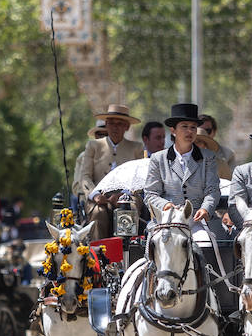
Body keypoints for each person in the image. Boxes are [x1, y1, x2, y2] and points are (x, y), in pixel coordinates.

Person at [143, 103, 231, 301]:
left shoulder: (208, 157)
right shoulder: (158, 159)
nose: (190, 132)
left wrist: (206, 209)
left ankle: (210, 297)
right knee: (152, 248)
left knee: (207, 244)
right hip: (166, 221)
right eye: (185, 127)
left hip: (196, 221)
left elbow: (212, 190)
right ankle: (148, 292)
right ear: (173, 130)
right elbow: (150, 194)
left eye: (193, 127)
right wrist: (165, 206)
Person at [73, 103, 146, 239]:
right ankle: (99, 255)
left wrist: (124, 195)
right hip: (98, 197)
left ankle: (129, 253)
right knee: (98, 214)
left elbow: (140, 179)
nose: (115, 127)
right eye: (111, 123)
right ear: (106, 124)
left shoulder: (136, 148)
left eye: (120, 124)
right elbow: (85, 177)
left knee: (128, 211)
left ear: (127, 127)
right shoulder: (93, 145)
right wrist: (95, 195)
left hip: (128, 196)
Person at [196, 114, 237, 180]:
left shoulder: (227, 155)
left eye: (207, 130)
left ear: (214, 132)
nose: (202, 133)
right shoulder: (184, 156)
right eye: (197, 129)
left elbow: (230, 181)